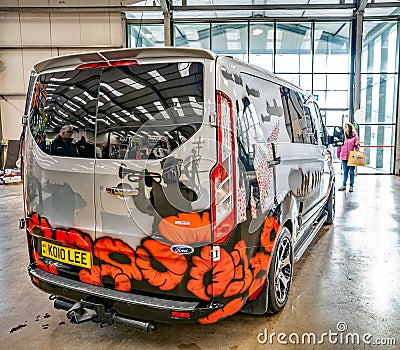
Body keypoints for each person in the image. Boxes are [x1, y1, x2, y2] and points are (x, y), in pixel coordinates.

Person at [337, 122, 359, 192]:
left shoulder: (355, 136)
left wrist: (356, 145)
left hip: (352, 157)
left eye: (346, 127)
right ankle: (344, 185)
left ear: (350, 128)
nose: (344, 128)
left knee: (351, 172)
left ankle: (351, 186)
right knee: (345, 171)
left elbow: (357, 148)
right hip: (344, 157)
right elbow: (339, 145)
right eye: (344, 127)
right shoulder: (342, 136)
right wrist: (338, 153)